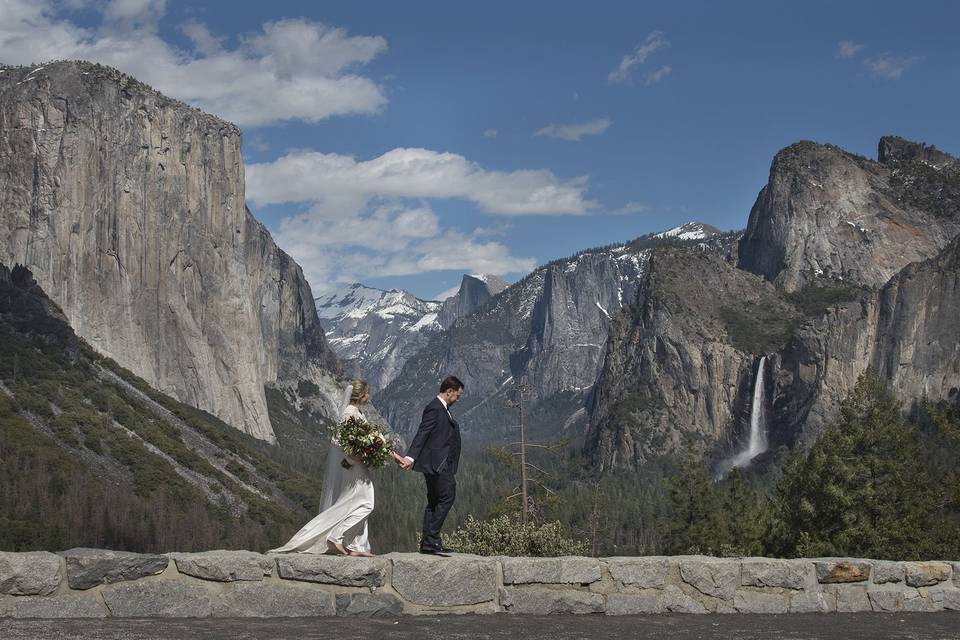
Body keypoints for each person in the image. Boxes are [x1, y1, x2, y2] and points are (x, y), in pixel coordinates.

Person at [269, 379, 404, 556]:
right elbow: (340, 440)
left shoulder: (356, 412)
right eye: (367, 392)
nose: (369, 396)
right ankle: (336, 536)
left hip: (356, 464)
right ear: (360, 395)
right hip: (353, 465)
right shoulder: (349, 413)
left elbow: (372, 437)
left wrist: (390, 454)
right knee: (367, 503)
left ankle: (356, 545)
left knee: (352, 502)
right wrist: (358, 453)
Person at [399, 375, 464, 555]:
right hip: (437, 464)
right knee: (447, 497)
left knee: (435, 501)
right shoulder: (434, 408)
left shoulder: (443, 409)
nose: (458, 399)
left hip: (440, 463)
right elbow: (423, 433)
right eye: (457, 395)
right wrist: (410, 458)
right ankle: (431, 538)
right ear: (449, 391)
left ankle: (428, 543)